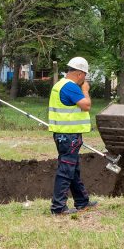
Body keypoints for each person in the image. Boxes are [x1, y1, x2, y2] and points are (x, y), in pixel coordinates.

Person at [47, 56, 99, 215]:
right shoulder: (71, 87)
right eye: (85, 75)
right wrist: (85, 90)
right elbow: (86, 105)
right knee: (66, 171)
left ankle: (82, 202)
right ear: (80, 74)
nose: (84, 79)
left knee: (73, 169)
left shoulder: (60, 84)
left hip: (64, 135)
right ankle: (58, 207)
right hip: (69, 136)